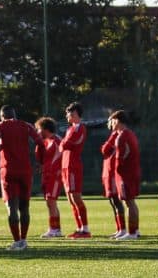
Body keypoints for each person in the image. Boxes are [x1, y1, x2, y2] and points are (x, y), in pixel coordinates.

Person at [0, 105, 43, 251]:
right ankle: (23, 240)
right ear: (15, 115)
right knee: (25, 207)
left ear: (2, 116)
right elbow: (40, 143)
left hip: (8, 169)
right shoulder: (26, 125)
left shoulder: (1, 125)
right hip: (25, 170)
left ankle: (16, 241)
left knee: (12, 207)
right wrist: (39, 161)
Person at [60, 102, 91, 238]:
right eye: (68, 113)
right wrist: (64, 144)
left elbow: (71, 143)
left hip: (73, 166)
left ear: (78, 115)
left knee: (76, 197)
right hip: (65, 165)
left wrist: (65, 143)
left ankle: (85, 229)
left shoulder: (81, 129)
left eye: (71, 113)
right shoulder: (69, 129)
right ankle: (79, 228)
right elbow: (63, 145)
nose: (68, 115)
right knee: (70, 199)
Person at [111, 110, 141, 240]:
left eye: (112, 121)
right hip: (132, 172)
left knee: (129, 203)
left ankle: (132, 232)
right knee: (131, 202)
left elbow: (121, 156)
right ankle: (135, 231)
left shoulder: (122, 136)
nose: (111, 124)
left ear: (117, 120)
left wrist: (118, 169)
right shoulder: (131, 134)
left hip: (126, 174)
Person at [35, 117, 63, 238]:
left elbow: (63, 156)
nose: (37, 132)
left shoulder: (57, 140)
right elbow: (41, 158)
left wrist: (59, 172)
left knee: (51, 201)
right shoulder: (44, 142)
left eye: (39, 129)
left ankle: (55, 229)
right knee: (49, 202)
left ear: (45, 129)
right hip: (46, 175)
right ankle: (55, 228)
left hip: (54, 175)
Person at [101, 119, 125, 238]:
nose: (110, 124)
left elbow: (105, 149)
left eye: (112, 121)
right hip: (108, 171)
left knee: (116, 200)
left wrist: (106, 145)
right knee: (112, 201)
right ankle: (119, 228)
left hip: (113, 172)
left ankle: (123, 229)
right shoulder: (113, 135)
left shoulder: (117, 135)